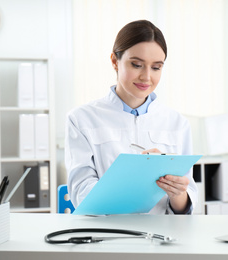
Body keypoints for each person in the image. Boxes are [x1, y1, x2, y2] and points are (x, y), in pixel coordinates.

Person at [65, 20, 198, 214]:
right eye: (137, 65)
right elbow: (80, 193)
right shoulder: (82, 119)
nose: (146, 77)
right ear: (114, 61)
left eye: (156, 67)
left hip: (161, 236)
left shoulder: (177, 123)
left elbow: (186, 202)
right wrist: (131, 179)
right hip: (107, 234)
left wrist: (177, 194)